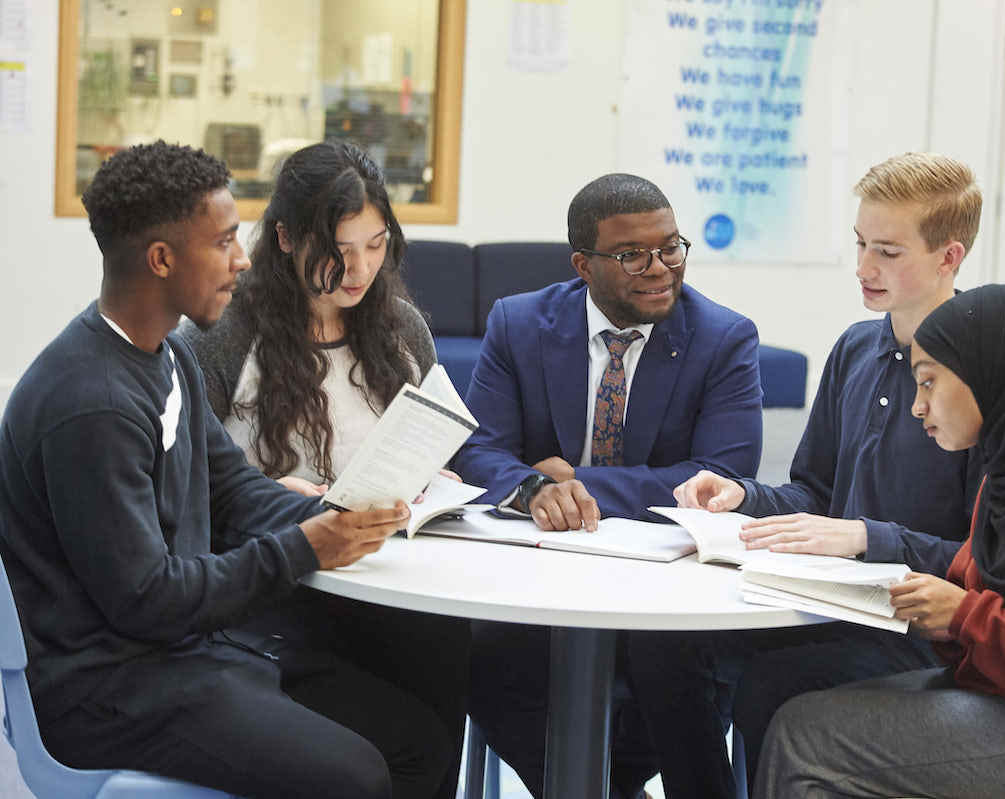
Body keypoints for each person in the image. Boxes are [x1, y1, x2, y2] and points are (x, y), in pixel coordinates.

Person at [0, 140, 452, 799]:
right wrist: (304, 548)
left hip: (186, 653)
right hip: (109, 689)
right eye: (223, 243)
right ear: (161, 259)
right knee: (358, 775)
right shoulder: (89, 402)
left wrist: (334, 516)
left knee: (422, 740)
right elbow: (147, 599)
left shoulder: (162, 358)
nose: (242, 261)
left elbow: (234, 491)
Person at [755, 283, 1005, 798]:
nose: (917, 407)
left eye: (929, 383)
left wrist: (962, 616)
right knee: (786, 693)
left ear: (992, 374)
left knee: (803, 738)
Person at [665, 152, 984, 797]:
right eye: (861, 244)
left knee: (772, 685)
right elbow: (816, 493)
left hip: (921, 626)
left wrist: (867, 536)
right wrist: (743, 497)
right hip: (826, 603)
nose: (865, 268)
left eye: (889, 253)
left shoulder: (986, 371)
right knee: (673, 653)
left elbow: (987, 559)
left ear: (949, 257)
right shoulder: (856, 349)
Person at [180, 139, 472, 799]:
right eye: (338, 250)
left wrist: (435, 481)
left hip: (392, 575)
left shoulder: (399, 327)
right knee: (399, 734)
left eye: (375, 246)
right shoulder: (223, 334)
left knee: (450, 660)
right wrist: (269, 495)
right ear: (284, 237)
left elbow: (433, 439)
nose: (359, 269)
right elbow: (183, 483)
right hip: (280, 590)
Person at [457, 172, 764, 798]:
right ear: (583, 265)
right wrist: (532, 491)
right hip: (540, 572)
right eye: (632, 255)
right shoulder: (519, 324)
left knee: (675, 663)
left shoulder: (723, 337)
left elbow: (722, 473)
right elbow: (478, 447)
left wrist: (579, 482)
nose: (659, 268)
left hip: (670, 581)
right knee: (476, 656)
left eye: (671, 247)